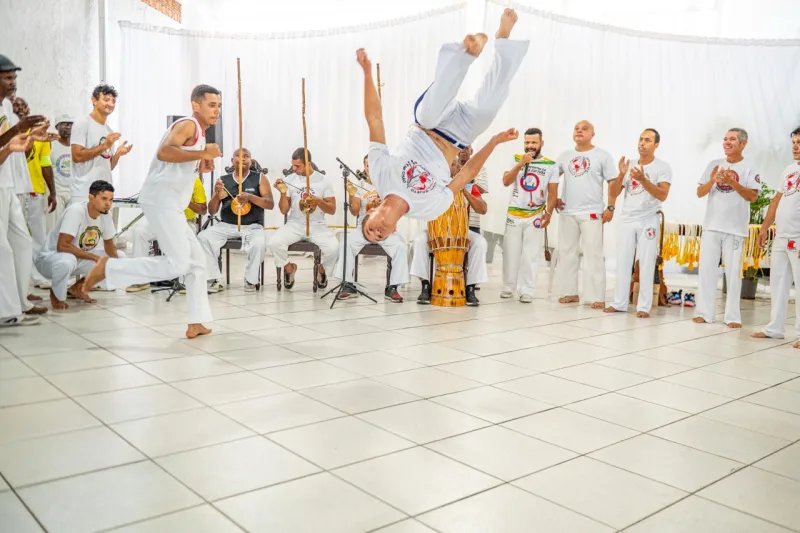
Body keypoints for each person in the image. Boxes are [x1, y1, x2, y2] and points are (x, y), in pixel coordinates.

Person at [357, 9, 527, 242]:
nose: (377, 232)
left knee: (429, 111)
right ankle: (503, 41)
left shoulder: (379, 175)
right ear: (393, 231)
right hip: (458, 136)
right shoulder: (428, 210)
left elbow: (374, 120)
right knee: (488, 107)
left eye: (370, 230)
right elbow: (465, 174)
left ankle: (467, 53)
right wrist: (494, 141)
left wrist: (367, 73)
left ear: (370, 212)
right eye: (380, 237)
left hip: (429, 122)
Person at [81, 84, 222, 339]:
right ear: (196, 105)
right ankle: (110, 269)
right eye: (212, 105)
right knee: (179, 263)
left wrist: (200, 162)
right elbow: (165, 152)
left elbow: (177, 162)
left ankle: (197, 321)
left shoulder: (198, 133)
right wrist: (202, 153)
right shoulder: (188, 125)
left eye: (219, 106)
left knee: (198, 263)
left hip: (171, 203)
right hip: (162, 200)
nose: (217, 111)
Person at [693, 128, 760, 328]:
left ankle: (732, 317)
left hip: (735, 228)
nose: (727, 142)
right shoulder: (714, 165)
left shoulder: (750, 166)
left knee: (732, 274)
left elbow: (753, 197)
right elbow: (699, 192)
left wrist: (732, 182)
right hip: (712, 226)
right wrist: (713, 180)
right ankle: (704, 313)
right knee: (706, 271)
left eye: (732, 139)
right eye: (725, 139)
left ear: (743, 143)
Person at [0, 54, 49, 324]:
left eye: (14, 78)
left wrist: (30, 134)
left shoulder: (5, 108)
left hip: (7, 184)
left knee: (21, 242)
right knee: (2, 249)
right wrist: (19, 129)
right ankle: (6, 311)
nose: (13, 83)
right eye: (7, 78)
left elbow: (11, 143)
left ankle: (20, 301)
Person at [604, 129, 672, 318]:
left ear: (656, 144)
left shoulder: (662, 167)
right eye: (641, 139)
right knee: (623, 261)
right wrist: (621, 174)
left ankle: (643, 306)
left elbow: (662, 194)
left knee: (647, 261)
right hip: (627, 218)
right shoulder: (630, 165)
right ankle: (619, 303)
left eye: (647, 140)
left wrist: (643, 179)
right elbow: (614, 192)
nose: (642, 143)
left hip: (648, 218)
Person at [411, 155, 488, 306]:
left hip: (461, 232)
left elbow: (483, 209)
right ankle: (425, 285)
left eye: (453, 163)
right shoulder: (432, 185)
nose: (449, 166)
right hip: (435, 232)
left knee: (480, 242)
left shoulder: (468, 185)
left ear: (459, 167)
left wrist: (465, 192)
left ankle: (471, 287)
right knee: (419, 241)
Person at [555, 120, 617, 309]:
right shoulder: (565, 156)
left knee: (593, 254)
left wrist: (611, 207)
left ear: (593, 134)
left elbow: (613, 182)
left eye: (584, 129)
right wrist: (554, 200)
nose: (579, 131)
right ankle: (569, 292)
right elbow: (551, 179)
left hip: (591, 212)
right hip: (567, 211)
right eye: (576, 129)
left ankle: (596, 296)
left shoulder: (602, 156)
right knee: (566, 252)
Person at [35, 180, 122, 309]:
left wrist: (116, 264)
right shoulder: (76, 211)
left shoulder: (106, 215)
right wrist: (94, 258)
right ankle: (56, 295)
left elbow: (109, 246)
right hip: (51, 259)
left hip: (77, 259)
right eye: (104, 199)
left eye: (110, 199)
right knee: (67, 261)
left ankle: (78, 288)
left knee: (120, 256)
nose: (108, 204)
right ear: (91, 197)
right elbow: (63, 246)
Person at [334, 154, 408, 302]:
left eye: (373, 164)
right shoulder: (358, 184)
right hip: (364, 228)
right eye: (367, 165)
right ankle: (347, 284)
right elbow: (354, 211)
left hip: (385, 228)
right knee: (346, 243)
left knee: (400, 246)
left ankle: (392, 287)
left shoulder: (390, 184)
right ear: (364, 167)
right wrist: (351, 195)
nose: (369, 168)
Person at [198, 148, 273, 292]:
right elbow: (212, 211)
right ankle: (214, 278)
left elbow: (269, 204)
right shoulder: (223, 180)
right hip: (226, 225)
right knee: (203, 237)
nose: (242, 159)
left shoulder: (259, 178)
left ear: (250, 161)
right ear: (232, 161)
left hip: (253, 226)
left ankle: (250, 280)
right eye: (238, 156)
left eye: (246, 156)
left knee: (259, 243)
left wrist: (250, 197)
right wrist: (216, 194)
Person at [752, 128, 800, 345]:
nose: (795, 146)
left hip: (799, 238)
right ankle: (775, 328)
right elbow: (776, 200)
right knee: (778, 283)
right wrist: (764, 228)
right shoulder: (789, 169)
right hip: (781, 236)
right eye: (794, 142)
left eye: (799, 142)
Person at [501, 127, 558, 302]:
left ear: (541, 143)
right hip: (514, 214)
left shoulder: (551, 165)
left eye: (534, 142)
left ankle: (526, 289)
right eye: (527, 142)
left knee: (531, 253)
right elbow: (506, 181)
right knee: (510, 252)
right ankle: (508, 287)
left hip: (535, 216)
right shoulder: (515, 159)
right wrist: (520, 165)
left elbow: (553, 193)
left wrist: (548, 214)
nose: (530, 146)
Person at [269, 148, 338, 290]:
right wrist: (283, 193)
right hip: (295, 223)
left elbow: (332, 209)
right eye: (293, 165)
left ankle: (321, 270)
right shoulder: (289, 180)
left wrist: (319, 201)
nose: (293, 169)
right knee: (274, 243)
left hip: (317, 225)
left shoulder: (323, 181)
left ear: (308, 163)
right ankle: (289, 269)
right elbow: (283, 210)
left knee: (334, 248)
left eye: (297, 166)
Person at [126, 174, 207, 293]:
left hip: (185, 222)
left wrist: (185, 201)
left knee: (182, 239)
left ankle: (185, 281)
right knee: (140, 231)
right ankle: (141, 279)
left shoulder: (194, 180)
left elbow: (203, 210)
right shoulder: (162, 178)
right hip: (163, 221)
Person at [13, 96, 57, 289]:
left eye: (23, 106)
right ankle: (18, 277)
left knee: (38, 236)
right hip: (13, 191)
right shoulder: (7, 132)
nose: (20, 109)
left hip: (35, 190)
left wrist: (52, 192)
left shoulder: (41, 134)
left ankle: (37, 275)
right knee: (16, 237)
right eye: (15, 106)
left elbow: (45, 163)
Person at [70, 84, 132, 205]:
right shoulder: (82, 123)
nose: (111, 104)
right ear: (94, 100)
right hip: (84, 193)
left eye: (113, 101)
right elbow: (77, 156)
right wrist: (104, 145)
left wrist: (117, 154)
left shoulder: (108, 130)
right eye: (106, 100)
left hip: (104, 194)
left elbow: (108, 166)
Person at [47, 115, 73, 232]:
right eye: (64, 124)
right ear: (57, 126)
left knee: (70, 229)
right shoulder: (50, 144)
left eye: (70, 124)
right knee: (53, 230)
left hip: (73, 193)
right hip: (56, 194)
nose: (68, 127)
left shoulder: (76, 146)